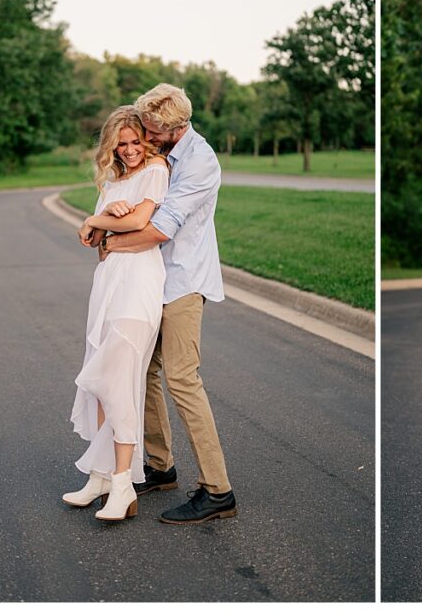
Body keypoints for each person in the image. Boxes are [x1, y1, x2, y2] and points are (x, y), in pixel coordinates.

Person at [96, 83, 237, 525]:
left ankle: (218, 491)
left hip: (181, 284)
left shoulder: (199, 162)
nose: (145, 133)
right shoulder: (160, 156)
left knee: (181, 378)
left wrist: (107, 240)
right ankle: (160, 467)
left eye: (152, 129)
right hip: (149, 282)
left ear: (174, 127)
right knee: (145, 373)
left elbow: (160, 230)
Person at [63, 106, 170, 521]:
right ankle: (102, 476)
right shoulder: (112, 179)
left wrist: (100, 219)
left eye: (134, 142)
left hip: (139, 284)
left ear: (146, 139)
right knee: (103, 382)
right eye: (120, 144)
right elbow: (92, 237)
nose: (128, 150)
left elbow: (142, 220)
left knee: (118, 379)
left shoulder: (156, 170)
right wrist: (101, 221)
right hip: (108, 283)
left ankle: (123, 484)